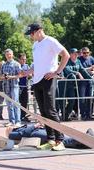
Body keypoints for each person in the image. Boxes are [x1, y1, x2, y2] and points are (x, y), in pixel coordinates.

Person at [24, 23, 70, 151]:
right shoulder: (35, 45)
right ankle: (50, 139)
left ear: (38, 31)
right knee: (43, 112)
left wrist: (57, 72)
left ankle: (60, 140)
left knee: (50, 110)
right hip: (36, 81)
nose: (31, 36)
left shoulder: (50, 41)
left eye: (32, 33)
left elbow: (65, 55)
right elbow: (37, 63)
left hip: (48, 79)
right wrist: (28, 71)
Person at [6, 123, 94, 149]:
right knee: (63, 140)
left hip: (41, 131)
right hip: (37, 135)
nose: (13, 126)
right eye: (10, 127)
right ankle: (87, 138)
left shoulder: (20, 127)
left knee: (64, 138)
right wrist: (34, 126)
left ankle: (86, 141)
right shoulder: (12, 134)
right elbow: (23, 134)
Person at [0, 49, 22, 127]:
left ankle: (18, 121)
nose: (8, 56)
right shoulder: (3, 65)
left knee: (16, 103)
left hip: (14, 85)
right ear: (5, 55)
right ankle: (11, 121)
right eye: (7, 54)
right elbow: (1, 76)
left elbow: (20, 75)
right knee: (9, 104)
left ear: (12, 55)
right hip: (6, 86)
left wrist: (11, 77)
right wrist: (3, 77)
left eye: (9, 54)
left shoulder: (16, 64)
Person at [78, 47, 94, 120]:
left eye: (87, 53)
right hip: (82, 81)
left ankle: (89, 114)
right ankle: (83, 115)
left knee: (90, 98)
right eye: (84, 53)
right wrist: (90, 68)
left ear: (89, 52)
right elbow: (80, 69)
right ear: (82, 53)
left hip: (90, 81)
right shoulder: (79, 59)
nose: (86, 54)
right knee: (82, 98)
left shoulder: (91, 58)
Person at [18, 53, 31, 122]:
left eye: (25, 59)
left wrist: (28, 74)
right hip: (18, 86)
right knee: (18, 102)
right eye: (22, 59)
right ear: (19, 59)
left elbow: (30, 75)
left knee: (25, 102)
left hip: (25, 86)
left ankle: (23, 116)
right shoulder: (17, 65)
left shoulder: (27, 66)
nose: (24, 61)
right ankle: (18, 116)